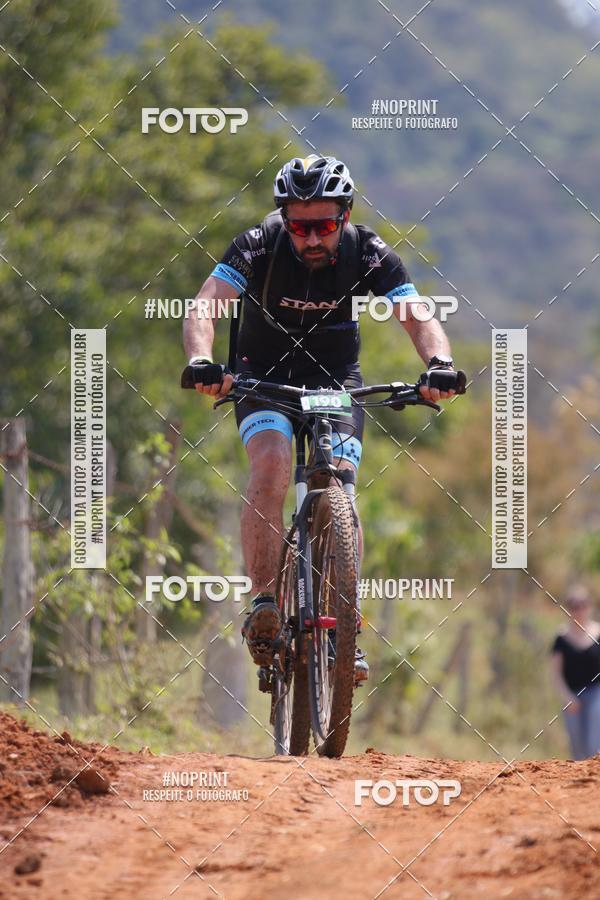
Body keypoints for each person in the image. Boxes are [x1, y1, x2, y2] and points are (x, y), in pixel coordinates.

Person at [183, 154, 462, 681]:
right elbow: (205, 305)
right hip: (262, 374)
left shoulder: (369, 251)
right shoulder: (256, 245)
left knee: (342, 489)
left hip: (335, 379)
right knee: (271, 462)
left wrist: (439, 364)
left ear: (346, 217)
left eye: (325, 225)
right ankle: (265, 602)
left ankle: (343, 630)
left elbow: (415, 311)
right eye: (300, 226)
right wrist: (202, 359)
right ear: (285, 219)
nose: (312, 238)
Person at [551, 585, 600, 759]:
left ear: (589, 606)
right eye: (574, 606)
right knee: (577, 746)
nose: (579, 610)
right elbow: (556, 673)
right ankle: (580, 785)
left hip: (596, 693)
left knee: (594, 742)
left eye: (582, 605)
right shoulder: (561, 637)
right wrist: (567, 697)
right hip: (571, 694)